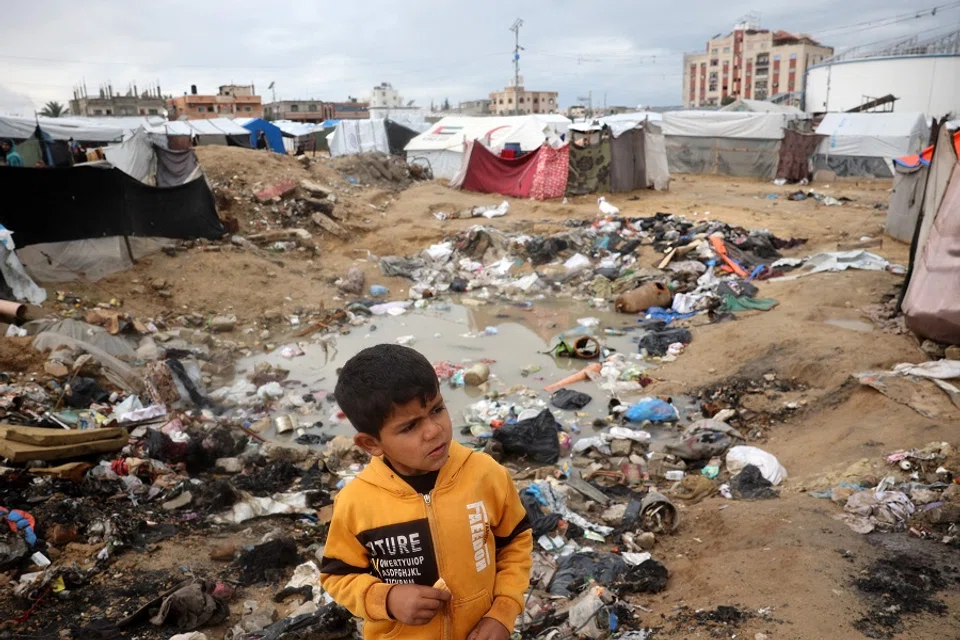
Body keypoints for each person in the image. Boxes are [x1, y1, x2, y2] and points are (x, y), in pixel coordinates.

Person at [321, 344, 532, 640]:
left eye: (437, 409)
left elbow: (515, 543)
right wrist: (388, 599)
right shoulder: (356, 503)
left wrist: (503, 611)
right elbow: (338, 576)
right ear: (371, 444)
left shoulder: (485, 475)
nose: (434, 430)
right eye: (409, 426)